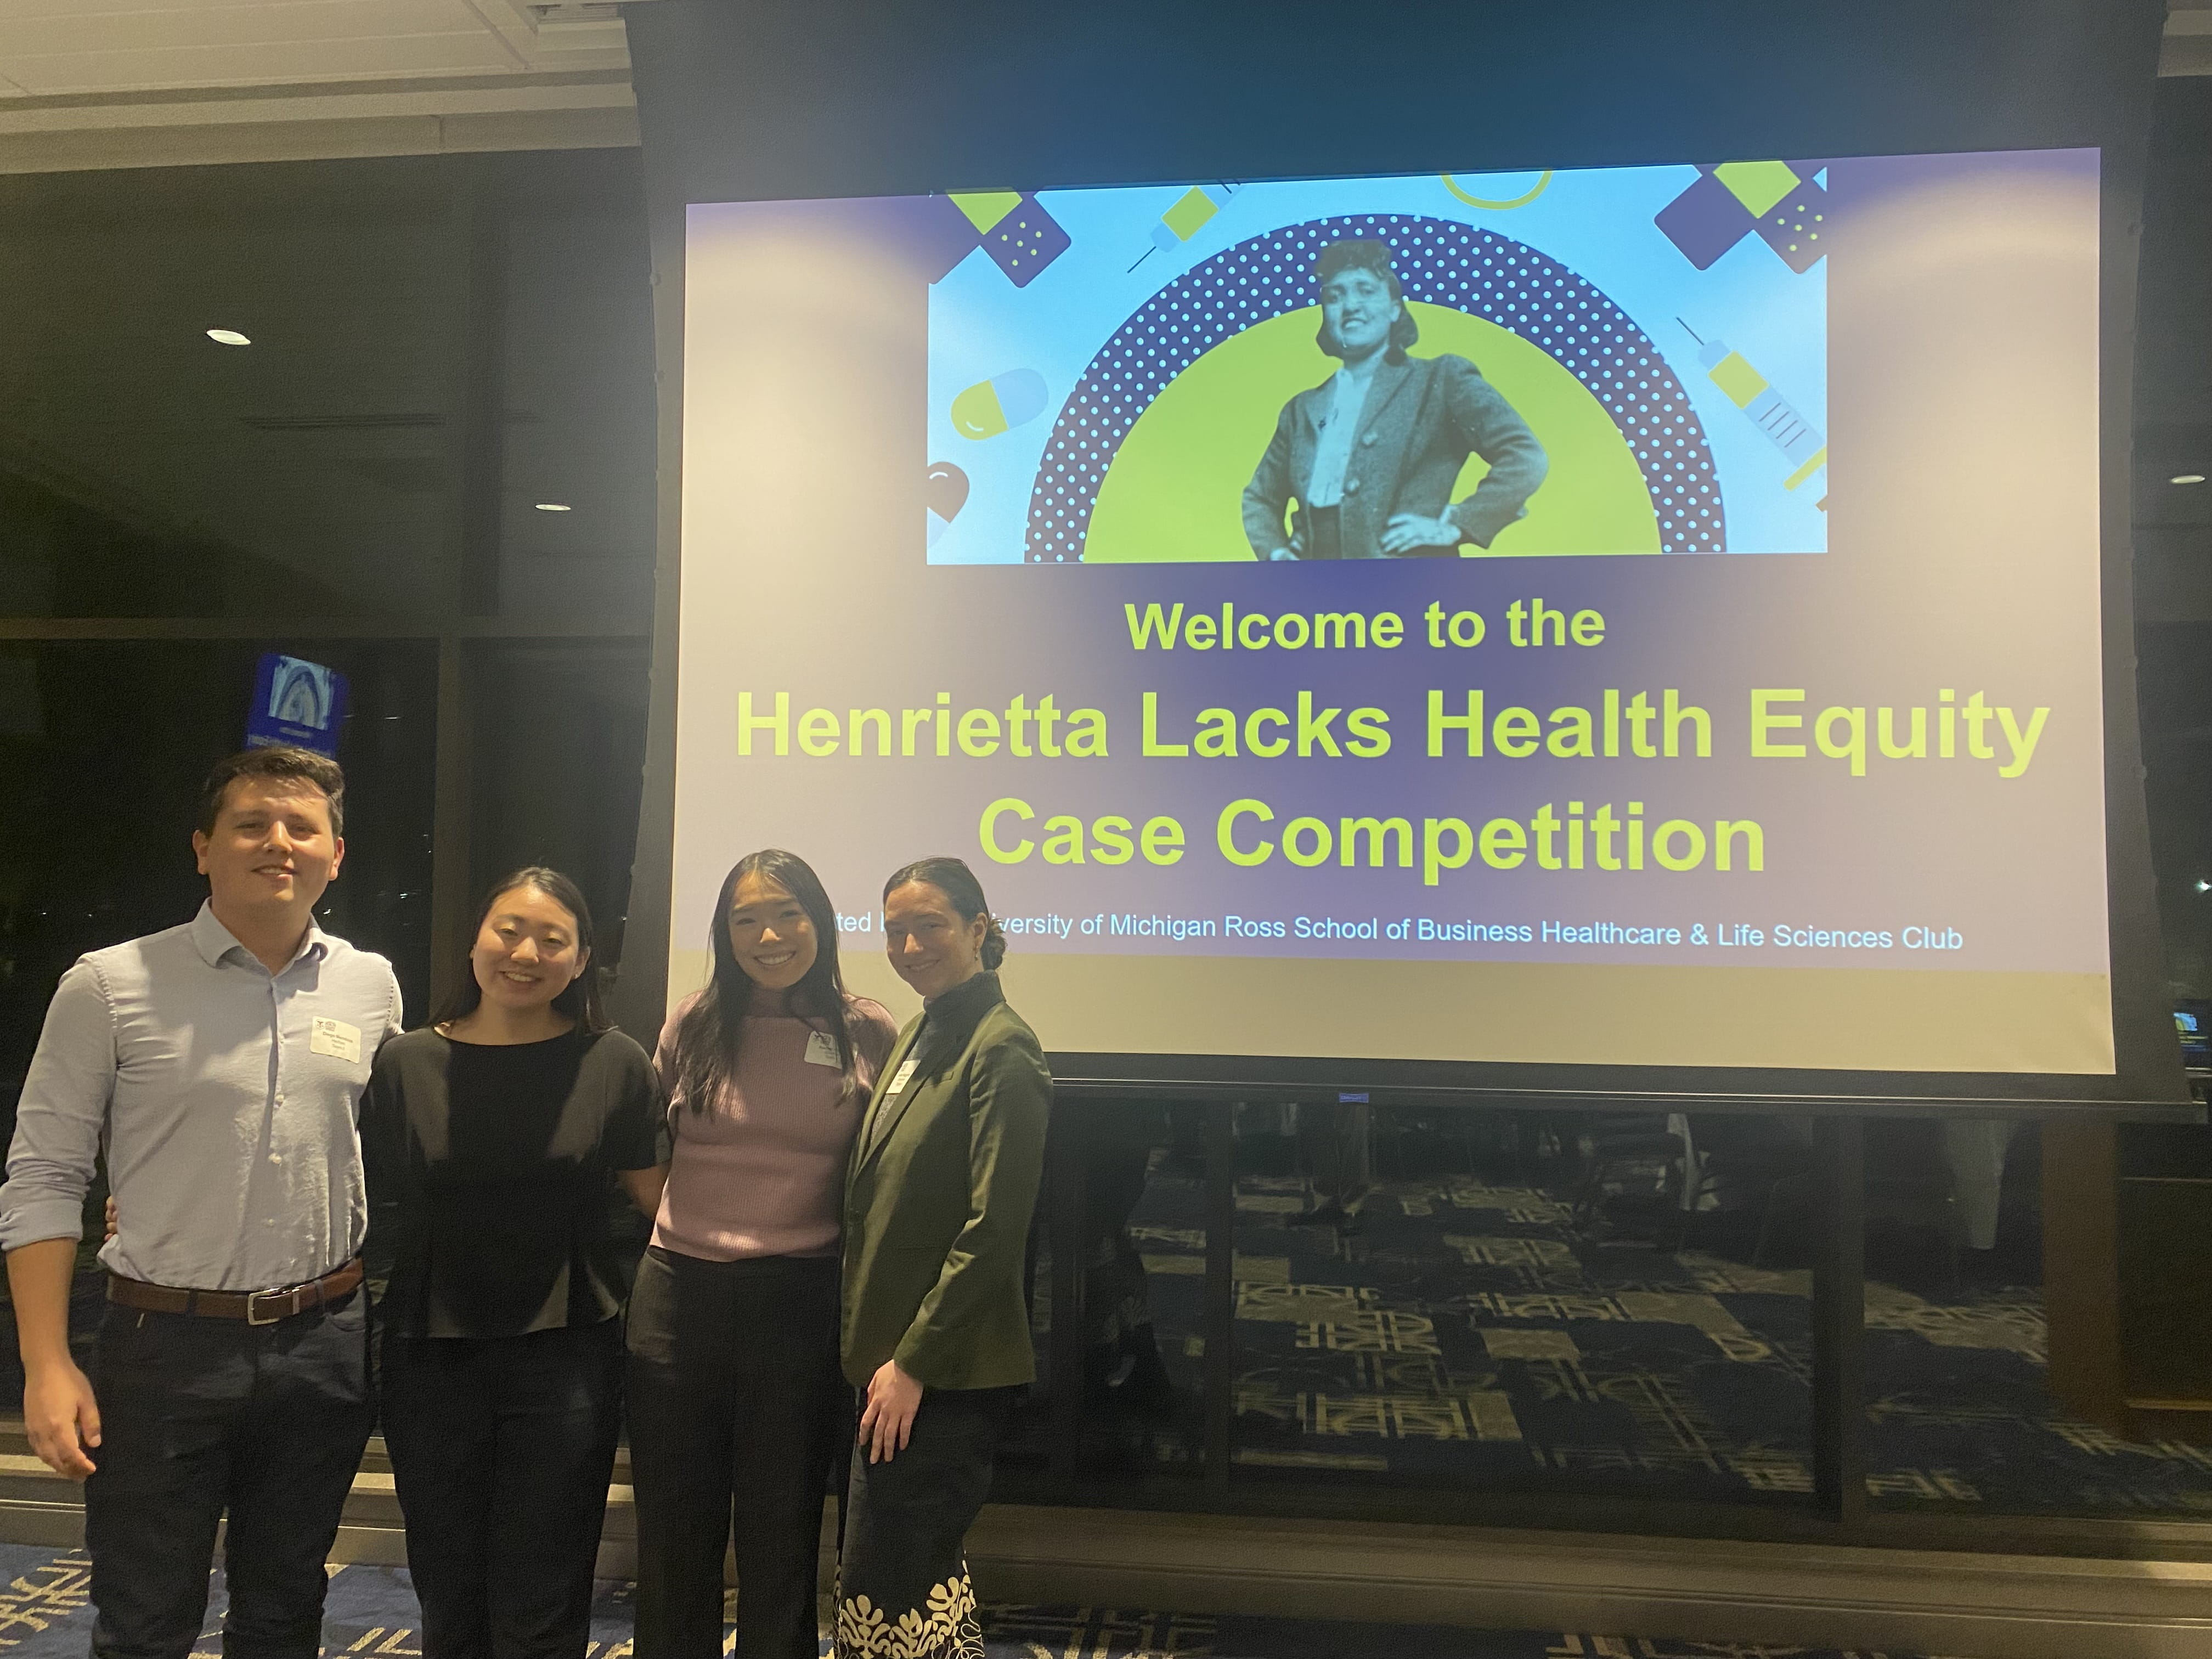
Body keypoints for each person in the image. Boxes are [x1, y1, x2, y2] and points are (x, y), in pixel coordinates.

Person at [0, 746, 400, 1659]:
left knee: (285, 1607)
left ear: (336, 853)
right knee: (145, 1617)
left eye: (303, 827)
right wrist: (46, 1360)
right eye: (253, 823)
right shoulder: (108, 983)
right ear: (203, 846)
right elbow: (44, 1174)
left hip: (322, 1338)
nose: (279, 843)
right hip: (163, 1346)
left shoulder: (370, 984)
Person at [361, 867, 662, 1659]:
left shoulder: (615, 1062)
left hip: (566, 1357)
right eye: (509, 930)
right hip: (430, 1357)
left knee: (545, 1594)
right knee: (448, 1586)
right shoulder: (406, 1063)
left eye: (552, 939)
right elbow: (363, 1205)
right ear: (474, 941)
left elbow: (660, 1202)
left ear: (581, 958)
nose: (526, 952)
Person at [627, 850, 898, 1659]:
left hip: (799, 1301)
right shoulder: (693, 1021)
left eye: (787, 914)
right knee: (676, 1528)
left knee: (781, 1529)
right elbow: (650, 1155)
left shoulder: (865, 1029)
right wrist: (696, 1226)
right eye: (746, 919)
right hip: (678, 1296)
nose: (769, 935)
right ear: (724, 932)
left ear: (820, 922)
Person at [834, 857, 1052, 1659]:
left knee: (897, 1582)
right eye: (896, 930)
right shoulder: (925, 1027)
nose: (911, 943)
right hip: (890, 1362)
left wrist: (915, 1363)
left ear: (979, 930)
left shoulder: (1003, 1049)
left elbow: (995, 1230)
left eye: (930, 925)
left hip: (942, 1371)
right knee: (903, 1583)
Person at [1242, 236, 1547, 561]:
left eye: (1366, 290)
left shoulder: (1441, 380)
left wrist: (1458, 523)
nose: (1350, 306)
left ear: (1394, 309)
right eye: (1335, 296)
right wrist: (1276, 553)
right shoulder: (1301, 409)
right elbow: (1260, 498)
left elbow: (1525, 456)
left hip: (1415, 588)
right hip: (1319, 597)